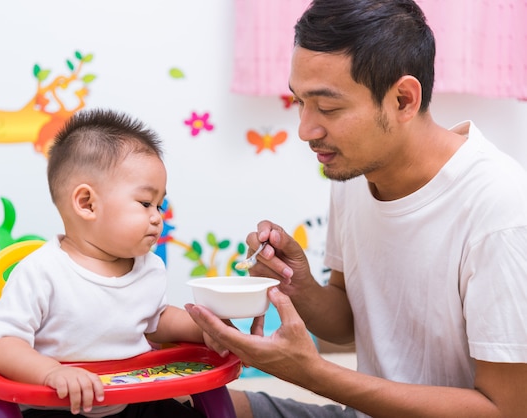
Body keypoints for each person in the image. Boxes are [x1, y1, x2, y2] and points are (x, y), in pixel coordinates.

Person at [186, 0, 527, 417]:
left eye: (327, 108)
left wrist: (311, 373)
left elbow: (506, 410)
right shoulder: (357, 171)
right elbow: (348, 324)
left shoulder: (502, 211)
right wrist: (298, 285)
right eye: (299, 102)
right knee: (191, 407)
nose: (306, 130)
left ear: (403, 99)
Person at [0, 108, 214, 417]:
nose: (158, 216)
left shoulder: (149, 267)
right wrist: (51, 373)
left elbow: (157, 320)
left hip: (131, 399)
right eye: (145, 203)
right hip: (58, 406)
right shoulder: (42, 271)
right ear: (87, 204)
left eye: (160, 204)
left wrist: (206, 331)